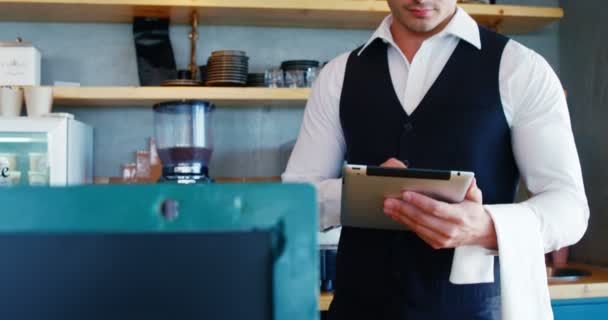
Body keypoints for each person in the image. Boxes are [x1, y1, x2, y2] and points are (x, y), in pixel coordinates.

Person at [282, 0, 589, 319]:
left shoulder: (521, 68)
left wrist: (486, 226)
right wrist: (361, 193)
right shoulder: (337, 75)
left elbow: (570, 208)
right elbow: (294, 199)